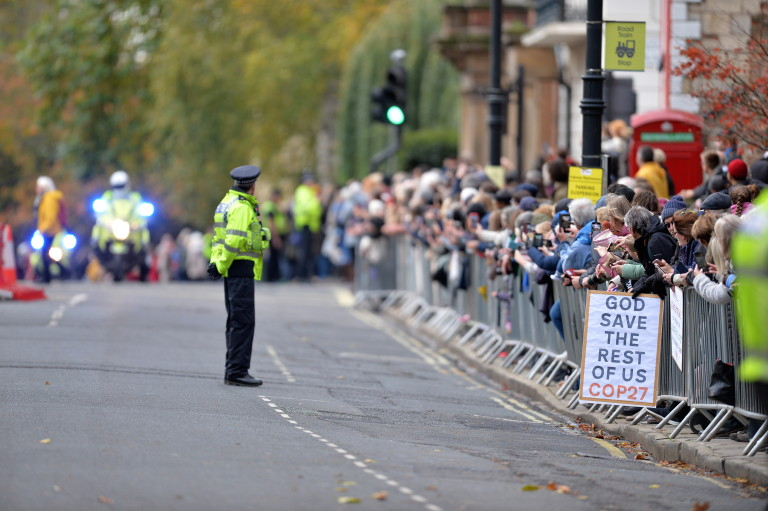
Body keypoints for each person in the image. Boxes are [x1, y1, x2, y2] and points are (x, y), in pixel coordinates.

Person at [208, 165, 271, 387]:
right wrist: (222, 263)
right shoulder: (242, 208)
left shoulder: (227, 202)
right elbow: (233, 241)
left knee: (235, 320)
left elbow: (218, 239)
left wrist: (217, 264)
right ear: (253, 185)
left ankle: (233, 368)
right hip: (240, 268)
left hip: (231, 268)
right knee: (243, 321)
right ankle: (236, 371)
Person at [292, 171, 322, 282]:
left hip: (310, 225)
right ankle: (302, 275)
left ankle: (306, 274)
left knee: (309, 251)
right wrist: (317, 200)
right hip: (305, 224)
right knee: (304, 251)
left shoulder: (309, 191)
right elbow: (308, 207)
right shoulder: (303, 191)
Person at [34, 176, 65, 283]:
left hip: (51, 230)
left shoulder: (49, 198)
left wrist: (41, 229)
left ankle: (48, 276)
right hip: (50, 229)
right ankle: (51, 274)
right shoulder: (46, 198)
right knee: (47, 253)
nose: (36, 189)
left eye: (38, 187)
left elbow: (50, 217)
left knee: (46, 253)